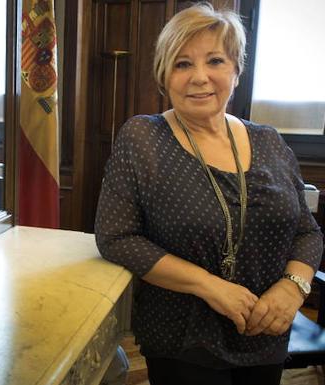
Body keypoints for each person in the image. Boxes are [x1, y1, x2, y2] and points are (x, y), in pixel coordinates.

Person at [94, 3, 323, 385]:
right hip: (183, 338)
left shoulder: (269, 140)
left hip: (267, 331)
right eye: (183, 64)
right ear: (164, 75)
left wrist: (293, 288)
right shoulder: (143, 138)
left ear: (236, 69)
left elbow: (307, 231)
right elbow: (117, 237)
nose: (199, 77)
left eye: (215, 60)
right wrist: (211, 286)